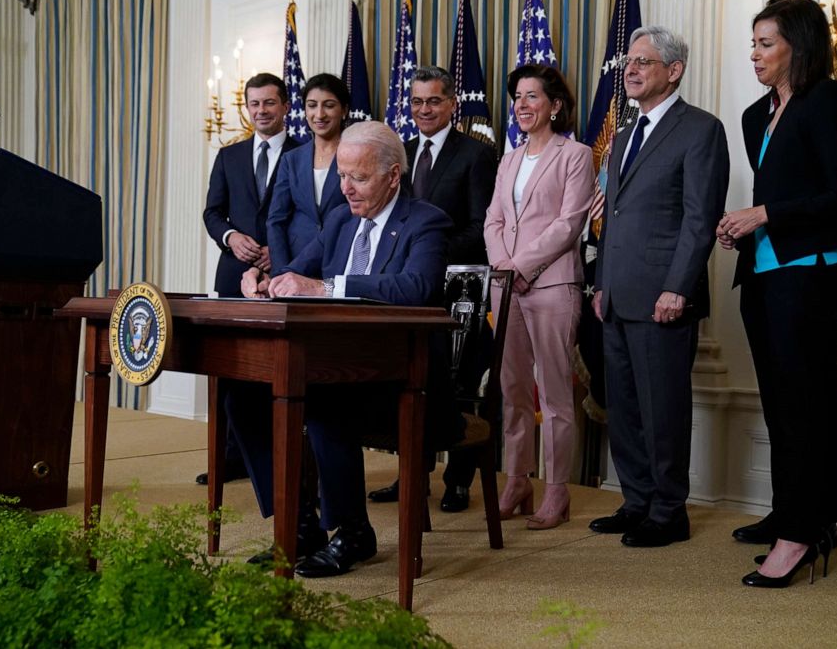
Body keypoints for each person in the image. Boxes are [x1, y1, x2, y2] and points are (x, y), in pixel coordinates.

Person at [717, 0, 837, 587]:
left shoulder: (835, 103)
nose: (755, 54)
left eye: (767, 43)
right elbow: (786, 197)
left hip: (812, 274)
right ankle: (794, 512)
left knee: (807, 403)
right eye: (754, 43)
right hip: (764, 277)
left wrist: (765, 213)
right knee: (780, 403)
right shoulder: (753, 115)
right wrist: (746, 228)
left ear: (800, 45)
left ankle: (805, 533)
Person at [241, 121, 461, 577]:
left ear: (393, 176)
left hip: (406, 382)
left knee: (321, 404)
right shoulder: (340, 219)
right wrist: (266, 282)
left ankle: (352, 531)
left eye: (358, 178)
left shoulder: (426, 221)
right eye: (341, 176)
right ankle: (301, 526)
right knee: (243, 395)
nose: (345, 188)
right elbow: (298, 272)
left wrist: (325, 286)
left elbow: (416, 288)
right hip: (339, 369)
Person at [588, 26, 729, 547]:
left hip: (664, 297)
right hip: (616, 294)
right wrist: (600, 283)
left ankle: (669, 511)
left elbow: (699, 219)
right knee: (623, 406)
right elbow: (614, 220)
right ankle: (637, 500)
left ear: (674, 70)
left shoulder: (701, 130)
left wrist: (678, 287)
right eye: (629, 61)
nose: (631, 69)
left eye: (643, 61)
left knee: (662, 407)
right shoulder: (623, 135)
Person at [367, 65, 497, 514]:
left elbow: (482, 227)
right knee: (410, 379)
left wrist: (430, 253)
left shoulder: (476, 155)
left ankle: (458, 481)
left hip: (458, 286)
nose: (424, 109)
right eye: (417, 101)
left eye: (434, 101)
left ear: (452, 104)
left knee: (458, 383)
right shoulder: (397, 152)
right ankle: (412, 479)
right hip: (406, 288)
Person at [483, 64, 594, 530]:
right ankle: (517, 481)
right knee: (510, 391)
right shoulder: (508, 158)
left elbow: (569, 224)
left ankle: (556, 491)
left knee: (553, 394)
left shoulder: (576, 155)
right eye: (517, 97)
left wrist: (522, 266)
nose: (522, 105)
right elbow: (492, 221)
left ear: (555, 104)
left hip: (551, 286)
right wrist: (504, 268)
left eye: (532, 96)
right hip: (505, 289)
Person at [200, 73, 298, 485]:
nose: (261, 111)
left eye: (269, 103)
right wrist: (231, 236)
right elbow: (212, 212)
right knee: (229, 367)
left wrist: (281, 250)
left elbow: (312, 215)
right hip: (233, 273)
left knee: (277, 366)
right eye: (254, 104)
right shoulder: (229, 156)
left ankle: (279, 457)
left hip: (285, 272)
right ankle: (229, 458)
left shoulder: (306, 152)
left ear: (286, 107)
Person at [266, 73, 350, 276]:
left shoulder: (356, 155)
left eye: (329, 105)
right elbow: (276, 220)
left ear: (344, 110)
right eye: (312, 105)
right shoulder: (291, 159)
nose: (319, 114)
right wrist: (281, 272)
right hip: (297, 262)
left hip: (344, 259)